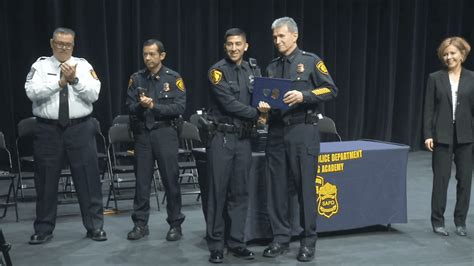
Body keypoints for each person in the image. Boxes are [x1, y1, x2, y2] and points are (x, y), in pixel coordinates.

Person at [262, 17, 337, 262]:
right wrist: (262, 109)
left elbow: (331, 90)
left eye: (282, 36)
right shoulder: (271, 67)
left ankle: (308, 241)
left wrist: (304, 95)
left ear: (294, 35)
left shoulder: (310, 61)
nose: (278, 41)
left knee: (306, 187)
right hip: (276, 133)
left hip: (303, 131)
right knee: (277, 190)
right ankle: (280, 238)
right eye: (274, 37)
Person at [25, 27, 106, 244]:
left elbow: (94, 94)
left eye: (68, 44)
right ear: (52, 43)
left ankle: (95, 226)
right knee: (46, 181)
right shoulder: (40, 66)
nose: (63, 47)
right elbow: (32, 92)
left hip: (80, 128)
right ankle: (43, 228)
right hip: (48, 130)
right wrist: (59, 82)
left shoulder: (84, 65)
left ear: (73, 45)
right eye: (59, 43)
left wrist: (75, 81)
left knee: (88, 179)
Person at [205, 28, 269, 263]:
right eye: (230, 44)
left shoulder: (254, 70)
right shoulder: (217, 72)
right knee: (218, 193)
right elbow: (229, 104)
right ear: (225, 47)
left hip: (243, 140)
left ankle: (237, 242)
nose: (234, 48)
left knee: (240, 193)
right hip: (222, 138)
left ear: (246, 46)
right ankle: (216, 244)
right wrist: (257, 113)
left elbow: (262, 97)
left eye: (238, 44)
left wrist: (266, 110)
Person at [126, 39, 186, 241]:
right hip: (143, 134)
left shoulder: (173, 78)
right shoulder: (136, 79)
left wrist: (154, 107)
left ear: (162, 55)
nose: (148, 58)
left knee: (170, 180)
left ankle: (175, 224)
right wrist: (141, 106)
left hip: (165, 133)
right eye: (145, 54)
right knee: (142, 182)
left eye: (152, 54)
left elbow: (179, 108)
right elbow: (129, 106)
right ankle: (140, 224)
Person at [423, 36, 473, 237]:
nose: (448, 57)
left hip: (466, 136)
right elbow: (428, 109)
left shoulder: (472, 78)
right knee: (441, 179)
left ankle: (460, 222)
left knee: (465, 180)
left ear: (462, 54)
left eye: (452, 53)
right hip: (441, 136)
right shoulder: (435, 78)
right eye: (445, 54)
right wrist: (428, 134)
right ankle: (438, 221)